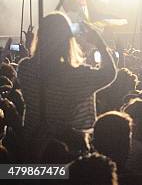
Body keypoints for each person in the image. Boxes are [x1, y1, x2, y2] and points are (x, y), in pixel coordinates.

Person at [18, 12, 117, 158]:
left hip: (31, 146)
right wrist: (99, 43)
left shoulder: (25, 68)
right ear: (67, 40)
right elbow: (109, 73)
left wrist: (31, 45)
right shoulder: (73, 76)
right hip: (62, 151)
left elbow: (35, 61)